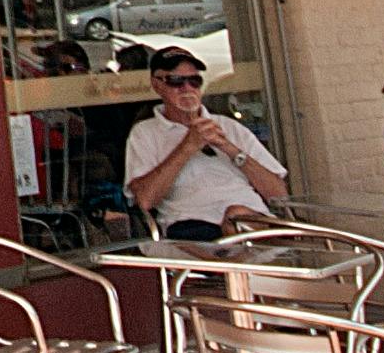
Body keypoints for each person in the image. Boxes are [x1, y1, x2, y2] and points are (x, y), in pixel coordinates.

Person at [123, 45, 289, 239]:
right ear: (157, 84)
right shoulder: (145, 133)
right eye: (176, 81)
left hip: (253, 219)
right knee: (236, 218)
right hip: (193, 227)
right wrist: (188, 146)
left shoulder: (228, 126)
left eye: (194, 81)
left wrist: (230, 149)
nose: (187, 88)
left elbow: (278, 195)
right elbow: (145, 200)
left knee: (238, 215)